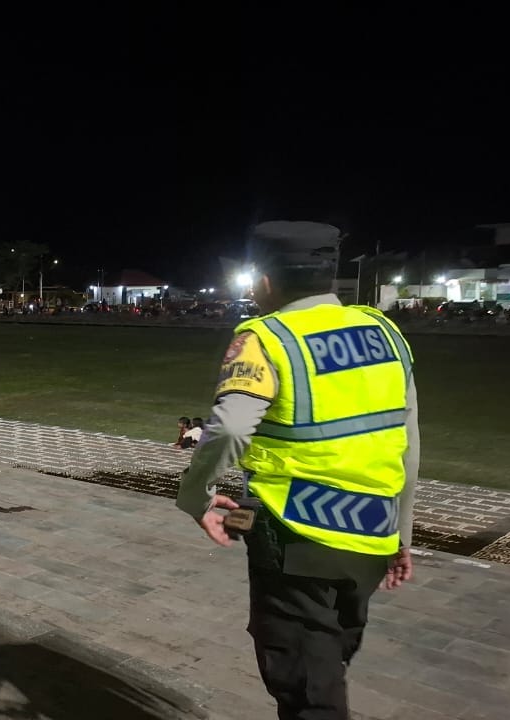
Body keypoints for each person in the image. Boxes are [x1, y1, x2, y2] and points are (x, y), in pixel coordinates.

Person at [175, 221, 418, 720]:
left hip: (295, 536)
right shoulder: (383, 332)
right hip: (371, 536)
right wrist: (402, 534)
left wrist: (194, 496)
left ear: (264, 281)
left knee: (307, 690)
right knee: (329, 663)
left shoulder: (265, 338)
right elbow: (407, 441)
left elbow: (231, 428)